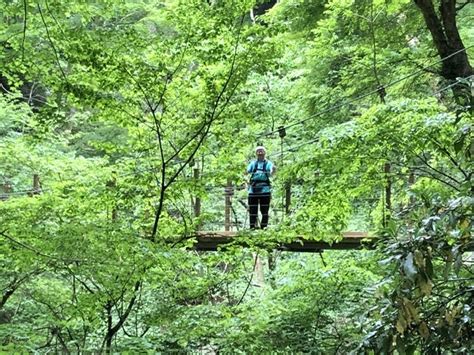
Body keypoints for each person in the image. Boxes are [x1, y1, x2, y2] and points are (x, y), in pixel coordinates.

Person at [247, 146, 275, 229]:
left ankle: (264, 228)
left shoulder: (268, 163)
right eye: (258, 151)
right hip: (253, 189)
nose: (260, 153)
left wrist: (273, 170)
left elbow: (271, 171)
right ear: (256, 154)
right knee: (252, 210)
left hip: (265, 189)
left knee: (264, 210)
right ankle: (252, 227)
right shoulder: (253, 163)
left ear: (264, 153)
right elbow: (247, 171)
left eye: (261, 151)